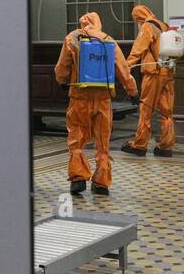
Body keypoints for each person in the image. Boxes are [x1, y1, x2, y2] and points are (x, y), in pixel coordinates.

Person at [54, 11, 138, 195]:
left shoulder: (73, 38)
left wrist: (62, 81)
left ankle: (78, 177)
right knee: (102, 140)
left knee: (76, 137)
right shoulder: (108, 40)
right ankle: (101, 181)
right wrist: (132, 92)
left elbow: (62, 68)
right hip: (103, 100)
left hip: (79, 97)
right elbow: (123, 69)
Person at [119, 5, 176, 158]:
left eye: (136, 19)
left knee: (146, 109)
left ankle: (140, 145)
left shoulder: (147, 26)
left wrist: (125, 67)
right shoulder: (163, 25)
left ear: (139, 17)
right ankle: (166, 146)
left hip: (153, 73)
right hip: (168, 72)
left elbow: (138, 49)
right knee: (166, 111)